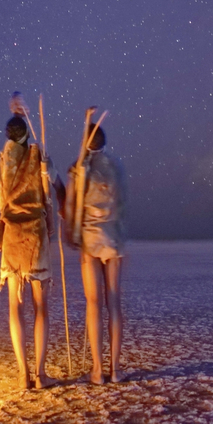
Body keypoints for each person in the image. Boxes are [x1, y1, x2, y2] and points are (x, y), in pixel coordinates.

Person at [0, 97, 61, 390]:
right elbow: (56, 186)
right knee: (41, 307)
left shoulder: (0, 160)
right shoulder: (39, 156)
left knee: (15, 306)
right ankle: (40, 375)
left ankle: (22, 375)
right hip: (36, 236)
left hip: (12, 236)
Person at [66, 109, 127, 384]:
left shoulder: (79, 168)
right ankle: (115, 369)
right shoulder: (115, 167)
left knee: (94, 303)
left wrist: (71, 233)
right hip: (113, 238)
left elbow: (71, 205)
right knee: (113, 302)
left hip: (90, 240)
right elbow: (122, 203)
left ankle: (98, 370)